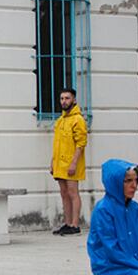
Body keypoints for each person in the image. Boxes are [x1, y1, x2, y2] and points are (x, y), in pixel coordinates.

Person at [50, 88, 88, 236]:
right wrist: (52, 162)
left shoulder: (78, 119)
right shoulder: (60, 121)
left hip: (72, 163)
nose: (64, 101)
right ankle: (67, 223)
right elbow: (57, 144)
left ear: (74, 100)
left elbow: (81, 143)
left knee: (73, 193)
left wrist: (74, 163)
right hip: (60, 163)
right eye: (62, 98)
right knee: (64, 193)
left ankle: (75, 224)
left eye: (67, 98)